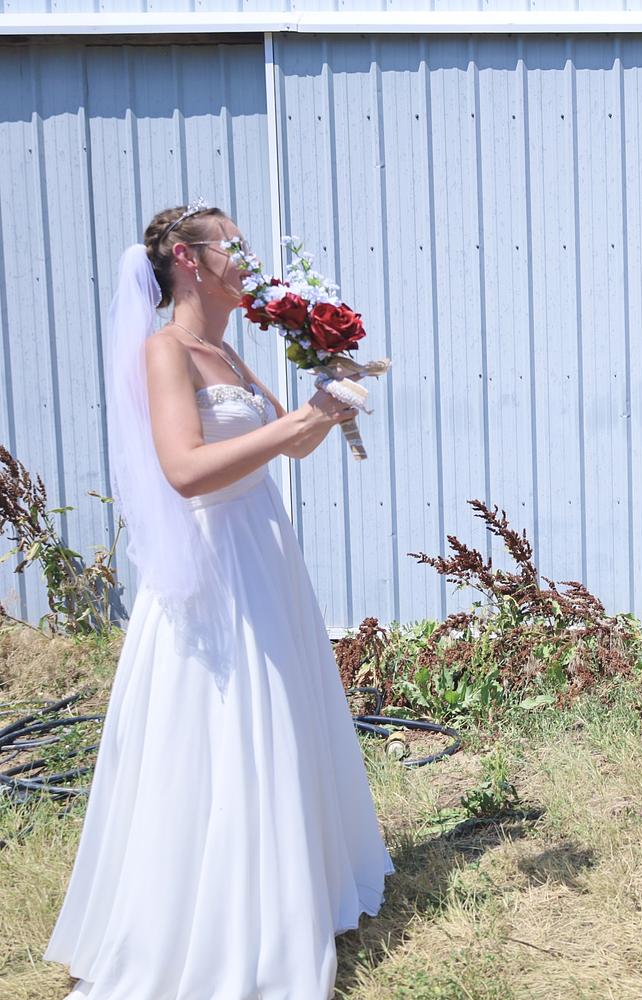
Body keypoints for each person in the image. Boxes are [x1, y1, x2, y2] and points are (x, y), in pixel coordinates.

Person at [44, 204, 393, 998]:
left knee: (282, 715)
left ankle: (291, 887)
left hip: (263, 551)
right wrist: (298, 423)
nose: (250, 262)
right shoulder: (165, 351)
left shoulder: (227, 351)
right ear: (187, 258)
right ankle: (217, 918)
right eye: (235, 247)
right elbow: (185, 471)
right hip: (214, 561)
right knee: (222, 726)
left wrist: (329, 400)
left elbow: (285, 442)